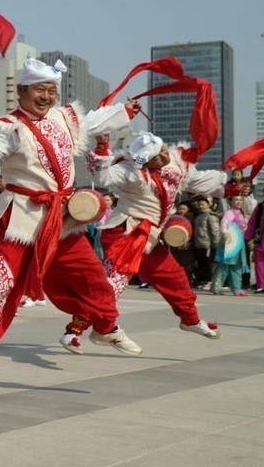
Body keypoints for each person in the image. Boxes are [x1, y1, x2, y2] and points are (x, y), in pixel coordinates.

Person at [0, 57, 141, 390]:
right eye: (39, 90)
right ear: (22, 91)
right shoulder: (8, 127)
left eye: (50, 90)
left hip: (62, 220)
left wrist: (124, 112)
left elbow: (95, 119)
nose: (46, 97)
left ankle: (105, 328)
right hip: (22, 222)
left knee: (92, 278)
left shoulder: (63, 116)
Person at [64, 132, 225, 353]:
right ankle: (78, 331)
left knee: (174, 277)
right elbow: (103, 177)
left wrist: (226, 185)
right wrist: (102, 146)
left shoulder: (177, 162)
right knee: (110, 286)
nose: (164, 156)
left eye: (164, 150)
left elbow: (196, 181)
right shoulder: (132, 173)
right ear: (145, 161)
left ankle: (190, 319)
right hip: (125, 233)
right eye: (157, 156)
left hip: (148, 236)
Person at [213, 195, 250, 296]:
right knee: (224, 265)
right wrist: (224, 232)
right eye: (236, 200)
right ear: (231, 202)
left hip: (239, 241)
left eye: (240, 200)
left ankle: (237, 289)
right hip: (229, 241)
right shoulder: (229, 213)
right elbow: (224, 223)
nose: (239, 202)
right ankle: (216, 287)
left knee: (237, 266)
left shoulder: (242, 213)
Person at [191, 195, 219, 289]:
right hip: (199, 244)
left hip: (207, 245)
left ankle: (209, 280)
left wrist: (215, 245)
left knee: (208, 264)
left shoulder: (211, 217)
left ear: (208, 205)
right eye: (199, 205)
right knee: (201, 263)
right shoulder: (199, 216)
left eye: (203, 204)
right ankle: (203, 281)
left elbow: (215, 232)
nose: (201, 206)